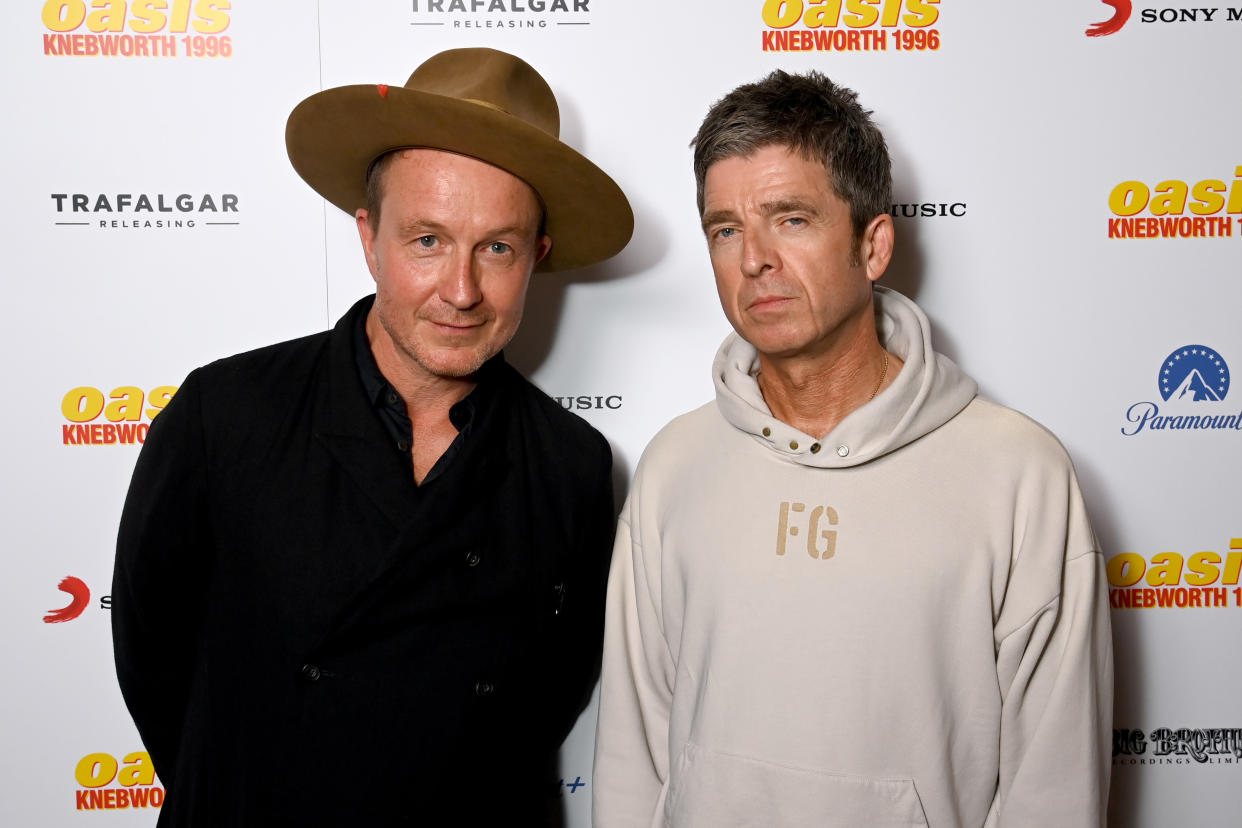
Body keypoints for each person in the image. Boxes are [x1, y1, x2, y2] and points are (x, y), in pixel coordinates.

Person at [111, 47, 632, 826]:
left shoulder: (572, 464)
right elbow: (152, 657)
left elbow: (548, 698)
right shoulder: (225, 415)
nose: (461, 290)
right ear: (369, 237)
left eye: (497, 247)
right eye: (427, 240)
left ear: (536, 260)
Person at [592, 70, 1111, 827]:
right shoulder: (675, 467)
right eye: (726, 229)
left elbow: (1054, 788)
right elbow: (632, 763)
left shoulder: (1020, 476)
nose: (754, 259)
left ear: (873, 245)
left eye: (790, 219)